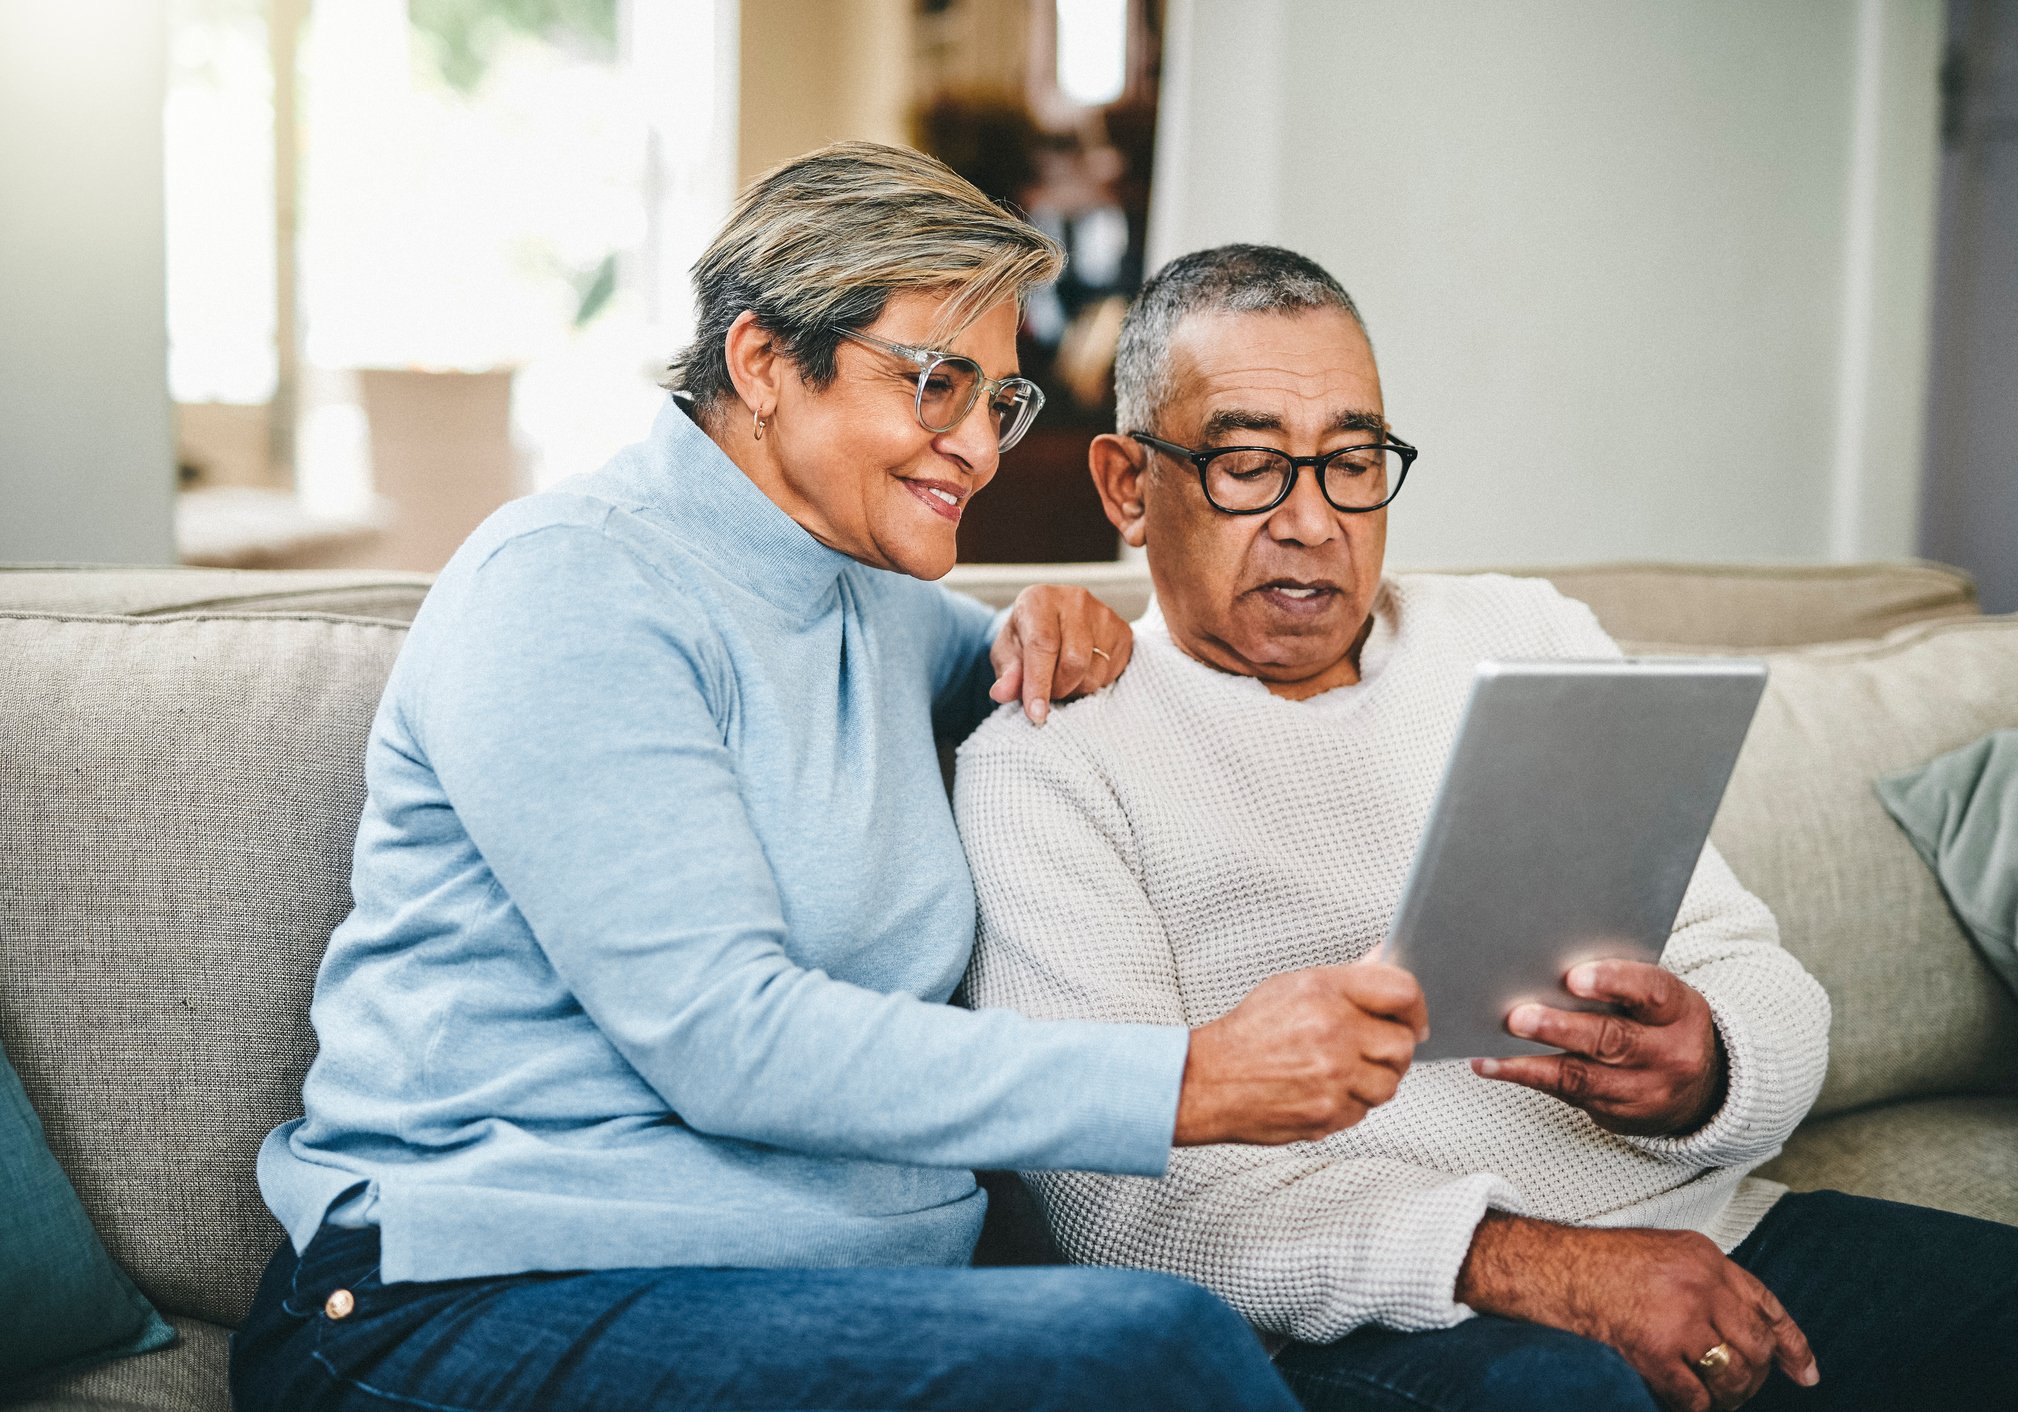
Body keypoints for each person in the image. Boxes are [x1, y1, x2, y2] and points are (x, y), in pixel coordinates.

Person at [230, 150, 1431, 1412]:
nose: (974, 447)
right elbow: (727, 1038)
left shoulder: (881, 605)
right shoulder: (569, 583)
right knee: (1150, 1346)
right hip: (466, 1300)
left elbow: (1056, 687)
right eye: (934, 385)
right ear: (759, 362)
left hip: (817, 1295)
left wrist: (1056, 622)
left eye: (999, 401)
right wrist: (1188, 1078)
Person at [957, 242, 2018, 1412]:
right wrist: (1551, 1267)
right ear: (1124, 484)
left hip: (1708, 1237)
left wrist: (1705, 1067)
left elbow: (1760, 976)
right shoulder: (1054, 751)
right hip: (1387, 1313)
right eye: (1251, 465)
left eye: (1353, 462)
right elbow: (1120, 1203)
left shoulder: (1522, 633)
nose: (1311, 520)